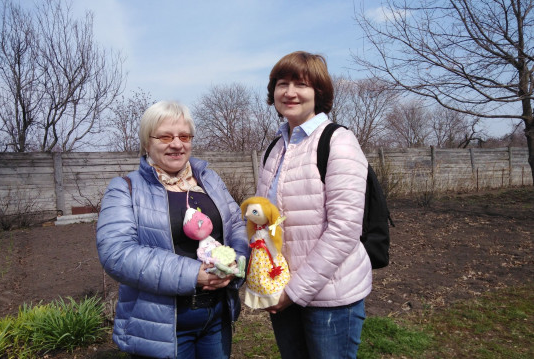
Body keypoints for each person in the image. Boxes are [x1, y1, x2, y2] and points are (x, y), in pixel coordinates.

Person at [96, 100, 250, 359]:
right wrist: (194, 275)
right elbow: (117, 254)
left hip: (216, 317)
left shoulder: (208, 179)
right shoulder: (125, 188)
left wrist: (237, 262)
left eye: (184, 136)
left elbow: (236, 223)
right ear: (147, 142)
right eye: (165, 136)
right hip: (163, 326)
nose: (177, 144)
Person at [255, 51, 372, 358]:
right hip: (283, 292)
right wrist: (268, 280)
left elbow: (344, 230)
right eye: (282, 83)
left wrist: (294, 293)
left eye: (301, 84)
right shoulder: (275, 147)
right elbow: (265, 223)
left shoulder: (337, 141)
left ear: (318, 93)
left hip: (329, 298)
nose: (289, 92)